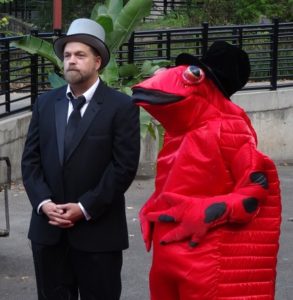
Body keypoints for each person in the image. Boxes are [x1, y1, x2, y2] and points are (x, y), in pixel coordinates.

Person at [132, 41, 281, 299]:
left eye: (193, 73)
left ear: (208, 85)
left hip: (204, 257)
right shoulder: (177, 133)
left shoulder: (230, 128)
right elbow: (173, 182)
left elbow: (255, 190)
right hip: (167, 254)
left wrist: (205, 211)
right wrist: (152, 208)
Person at [21, 18, 140, 300]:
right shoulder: (46, 103)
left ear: (97, 62)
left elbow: (123, 168)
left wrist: (85, 207)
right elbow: (31, 161)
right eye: (67, 55)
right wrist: (44, 203)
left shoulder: (121, 107)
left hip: (98, 233)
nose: (71, 61)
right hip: (48, 233)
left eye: (80, 55)